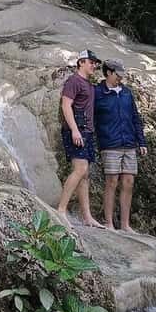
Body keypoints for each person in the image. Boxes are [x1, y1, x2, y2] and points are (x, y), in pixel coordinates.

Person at [94, 60, 147, 232]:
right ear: (108, 73)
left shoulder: (126, 93)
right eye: (118, 75)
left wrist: (142, 141)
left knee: (129, 182)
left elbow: (135, 118)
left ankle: (125, 225)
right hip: (110, 144)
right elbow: (90, 117)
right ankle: (109, 223)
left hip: (129, 143)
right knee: (111, 181)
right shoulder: (97, 93)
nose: (120, 78)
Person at [57, 49, 104, 230]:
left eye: (95, 63)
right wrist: (75, 130)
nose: (94, 65)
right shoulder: (74, 81)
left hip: (87, 131)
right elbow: (66, 105)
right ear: (81, 63)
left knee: (84, 175)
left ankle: (87, 217)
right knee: (80, 169)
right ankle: (61, 210)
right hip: (77, 130)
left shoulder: (89, 84)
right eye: (91, 62)